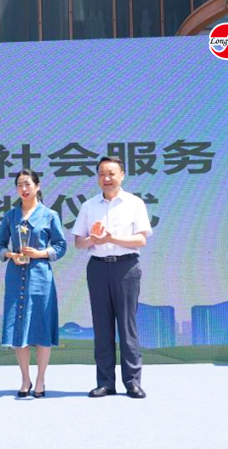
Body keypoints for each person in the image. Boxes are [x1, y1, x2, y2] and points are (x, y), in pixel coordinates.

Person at [72, 157, 152, 399]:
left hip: (126, 268)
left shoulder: (134, 203)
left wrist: (111, 239)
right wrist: (93, 240)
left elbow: (141, 239)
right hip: (98, 268)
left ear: (122, 175)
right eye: (101, 174)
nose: (106, 178)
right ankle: (105, 382)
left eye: (111, 173)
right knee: (102, 327)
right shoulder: (89, 206)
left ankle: (133, 382)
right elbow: (79, 242)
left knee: (127, 326)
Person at [0, 169, 67, 398]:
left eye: (27, 184)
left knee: (42, 327)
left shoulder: (49, 215)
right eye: (19, 185)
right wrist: (11, 255)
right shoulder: (11, 216)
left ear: (37, 186)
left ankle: (40, 379)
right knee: (19, 328)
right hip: (16, 277)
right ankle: (25, 379)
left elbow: (61, 246)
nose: (24, 189)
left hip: (40, 279)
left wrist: (40, 253)